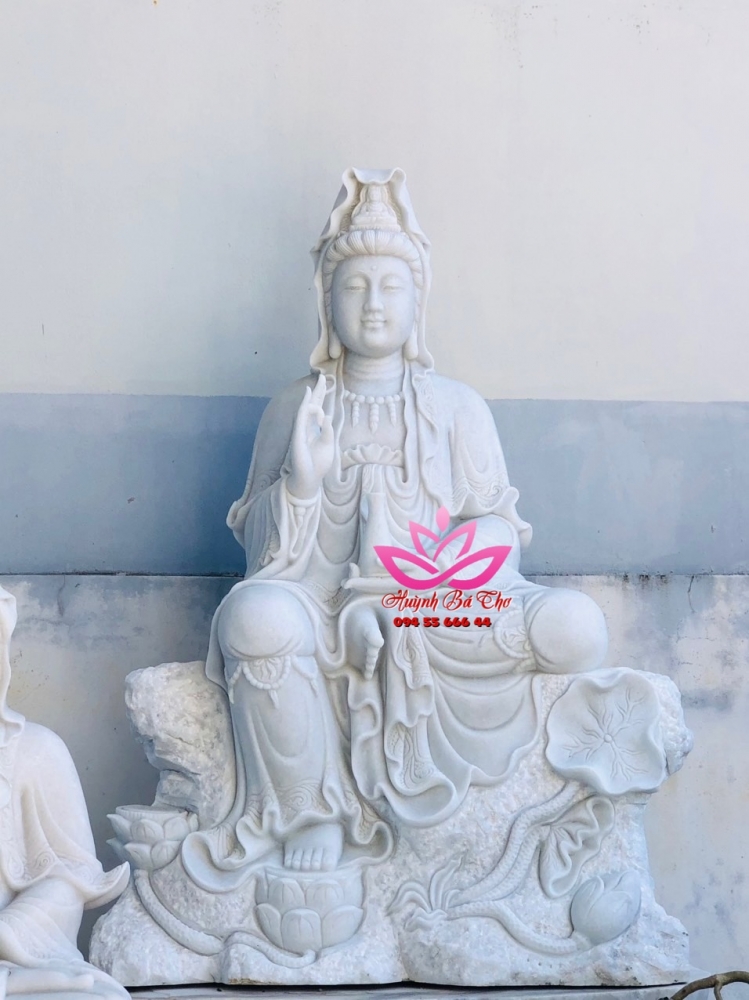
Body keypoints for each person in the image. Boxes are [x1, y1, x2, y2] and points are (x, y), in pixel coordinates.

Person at [181, 169, 608, 892]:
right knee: (253, 619)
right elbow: (258, 553)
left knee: (576, 628)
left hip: (431, 608)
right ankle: (309, 811)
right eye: (354, 287)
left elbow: (497, 530)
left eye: (390, 287)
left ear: (418, 302)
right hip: (319, 606)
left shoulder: (458, 408)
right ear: (326, 303)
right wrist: (302, 483)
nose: (373, 304)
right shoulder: (295, 408)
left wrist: (429, 581)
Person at [0, 586, 129, 1000]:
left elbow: (74, 877)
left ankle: (23, 976)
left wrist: (9, 930)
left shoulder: (36, 750)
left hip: (14, 938)